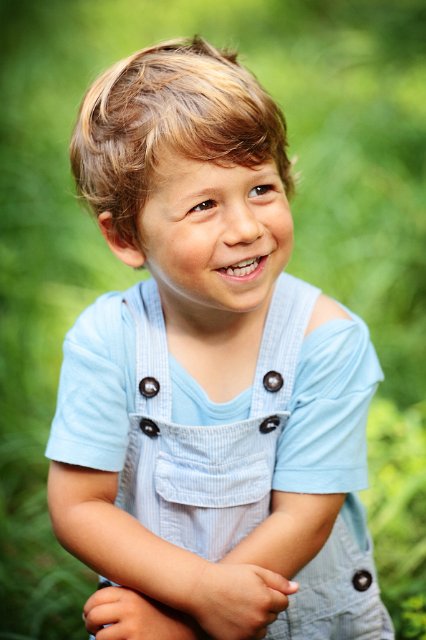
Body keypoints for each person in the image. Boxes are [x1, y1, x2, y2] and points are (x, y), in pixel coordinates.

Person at [46, 36, 394, 640]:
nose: (245, 228)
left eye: (261, 188)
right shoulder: (108, 341)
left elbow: (306, 518)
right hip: (163, 598)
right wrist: (196, 594)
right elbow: (79, 506)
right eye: (204, 205)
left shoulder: (326, 339)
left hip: (305, 618)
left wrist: (183, 628)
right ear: (126, 236)